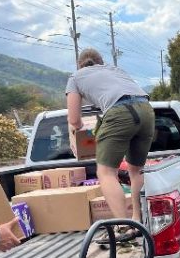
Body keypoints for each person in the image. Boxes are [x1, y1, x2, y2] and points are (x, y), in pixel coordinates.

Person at [65, 48, 155, 243]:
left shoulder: (76, 77)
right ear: (101, 62)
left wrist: (78, 130)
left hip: (118, 112)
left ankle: (124, 226)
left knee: (106, 172)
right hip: (146, 110)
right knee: (136, 170)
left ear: (80, 65)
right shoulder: (115, 70)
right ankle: (138, 220)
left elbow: (74, 119)